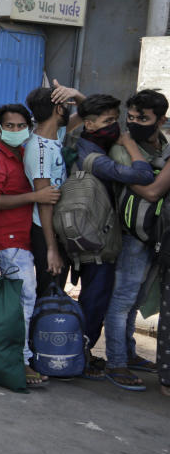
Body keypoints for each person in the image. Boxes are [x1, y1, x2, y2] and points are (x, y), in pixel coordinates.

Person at [71, 93, 154, 376]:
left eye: (116, 120)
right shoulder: (93, 157)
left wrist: (79, 96)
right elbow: (143, 176)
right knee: (95, 301)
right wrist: (130, 145)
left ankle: (80, 354)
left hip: (98, 236)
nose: (116, 127)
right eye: (109, 121)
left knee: (96, 299)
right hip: (94, 242)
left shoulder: (94, 141)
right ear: (90, 125)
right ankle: (78, 358)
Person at [0, 103, 60, 386]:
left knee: (26, 297)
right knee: (25, 296)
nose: (15, 130)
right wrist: (35, 197)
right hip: (8, 239)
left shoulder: (29, 152)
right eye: (9, 126)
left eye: (20, 126)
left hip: (29, 236)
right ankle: (20, 360)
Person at [102, 89, 168, 390]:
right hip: (132, 234)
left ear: (161, 120)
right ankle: (115, 362)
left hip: (156, 233)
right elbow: (146, 187)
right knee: (122, 300)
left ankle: (128, 352)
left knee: (137, 299)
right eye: (131, 117)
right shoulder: (122, 147)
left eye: (143, 118)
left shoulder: (163, 144)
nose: (134, 122)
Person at [23, 82, 83, 299]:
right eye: (66, 105)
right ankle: (40, 333)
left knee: (55, 291)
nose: (69, 110)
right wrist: (51, 249)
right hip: (45, 230)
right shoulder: (39, 149)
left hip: (57, 228)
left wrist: (75, 94)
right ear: (59, 109)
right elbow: (44, 200)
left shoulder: (54, 135)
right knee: (48, 293)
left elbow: (88, 112)